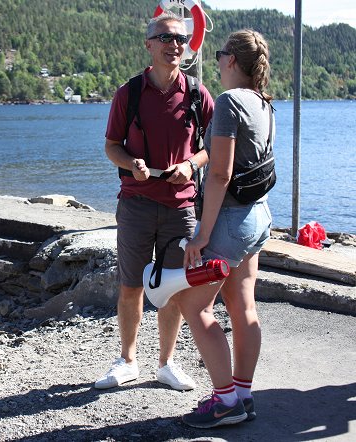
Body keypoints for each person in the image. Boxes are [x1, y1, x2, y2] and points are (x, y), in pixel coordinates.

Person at [97, 12, 214, 391]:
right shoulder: (128, 93)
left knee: (173, 287)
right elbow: (111, 146)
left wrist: (190, 164)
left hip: (181, 207)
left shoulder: (197, 93)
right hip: (136, 204)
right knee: (131, 284)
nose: (174, 45)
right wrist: (132, 164)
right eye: (165, 38)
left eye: (180, 39)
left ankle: (166, 364)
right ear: (149, 45)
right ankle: (127, 361)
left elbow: (212, 148)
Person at [177, 29, 274, 428]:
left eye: (219, 55)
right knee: (242, 305)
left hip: (231, 221)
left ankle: (225, 402)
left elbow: (219, 174)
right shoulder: (264, 104)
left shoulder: (231, 101)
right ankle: (244, 394)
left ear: (231, 60)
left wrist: (202, 234)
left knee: (192, 305)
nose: (216, 62)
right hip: (259, 217)